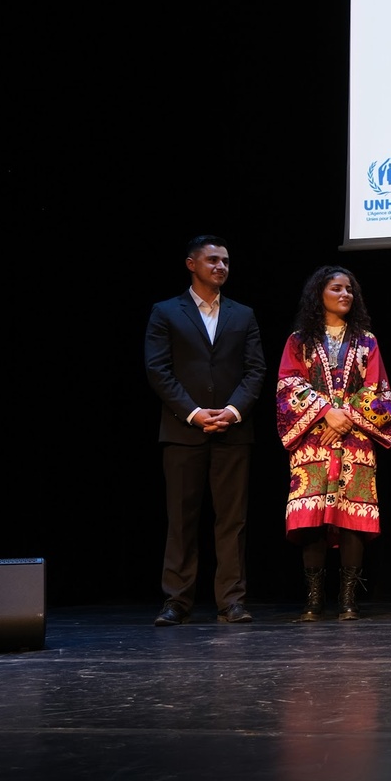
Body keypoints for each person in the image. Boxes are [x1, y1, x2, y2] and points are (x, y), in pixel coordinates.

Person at [145, 235, 267, 626]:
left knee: (232, 520)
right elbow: (158, 370)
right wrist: (194, 413)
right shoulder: (166, 312)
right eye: (213, 260)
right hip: (184, 432)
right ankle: (176, 601)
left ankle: (231, 600)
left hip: (233, 432)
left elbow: (255, 370)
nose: (221, 267)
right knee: (182, 519)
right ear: (191, 264)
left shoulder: (243, 314)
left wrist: (232, 411)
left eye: (226, 261)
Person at [276, 266, 391, 621]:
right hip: (313, 438)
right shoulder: (299, 341)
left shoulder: (367, 341)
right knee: (312, 516)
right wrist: (326, 412)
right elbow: (288, 386)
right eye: (336, 288)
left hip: (356, 439)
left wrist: (345, 418)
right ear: (319, 294)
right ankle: (313, 600)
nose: (345, 294)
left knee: (352, 516)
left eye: (349, 289)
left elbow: (379, 391)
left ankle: (348, 600)